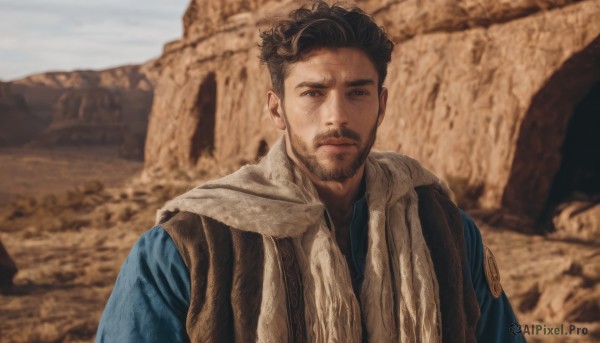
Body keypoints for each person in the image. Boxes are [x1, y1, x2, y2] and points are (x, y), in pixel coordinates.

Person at [96, 2, 525, 342]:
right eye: (313, 93)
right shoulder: (185, 248)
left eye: (357, 92)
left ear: (382, 105)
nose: (336, 116)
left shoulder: (445, 229)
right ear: (276, 108)